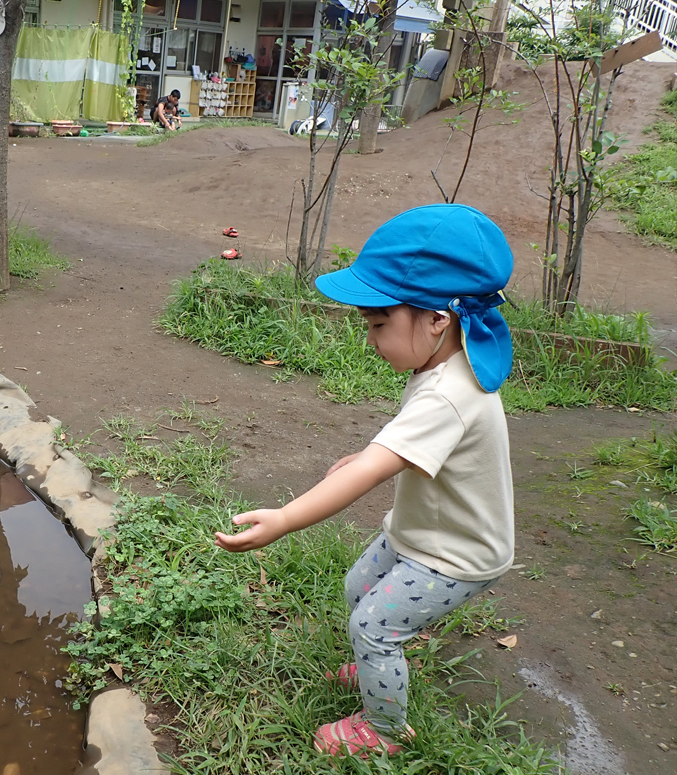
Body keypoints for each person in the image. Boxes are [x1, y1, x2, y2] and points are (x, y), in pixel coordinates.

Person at [215, 204, 516, 758]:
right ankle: (380, 663)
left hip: (458, 553)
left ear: (437, 320)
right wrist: (367, 453)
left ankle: (383, 731)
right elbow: (409, 444)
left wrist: (284, 519)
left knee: (375, 624)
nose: (371, 338)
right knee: (360, 588)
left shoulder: (451, 393)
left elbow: (379, 468)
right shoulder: (445, 364)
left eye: (379, 324)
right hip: (423, 532)